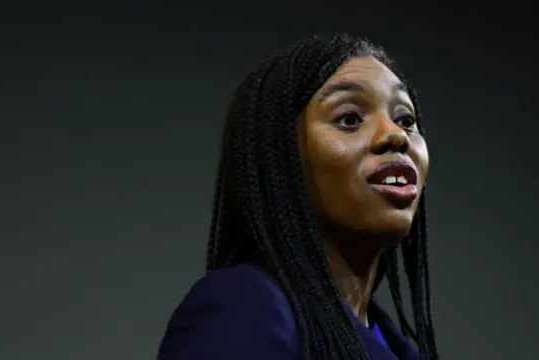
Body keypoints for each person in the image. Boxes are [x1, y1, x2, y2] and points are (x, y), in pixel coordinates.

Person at [157, 33, 439, 360]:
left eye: (406, 119)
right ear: (280, 157)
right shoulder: (244, 308)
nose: (395, 135)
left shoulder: (398, 347)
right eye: (349, 119)